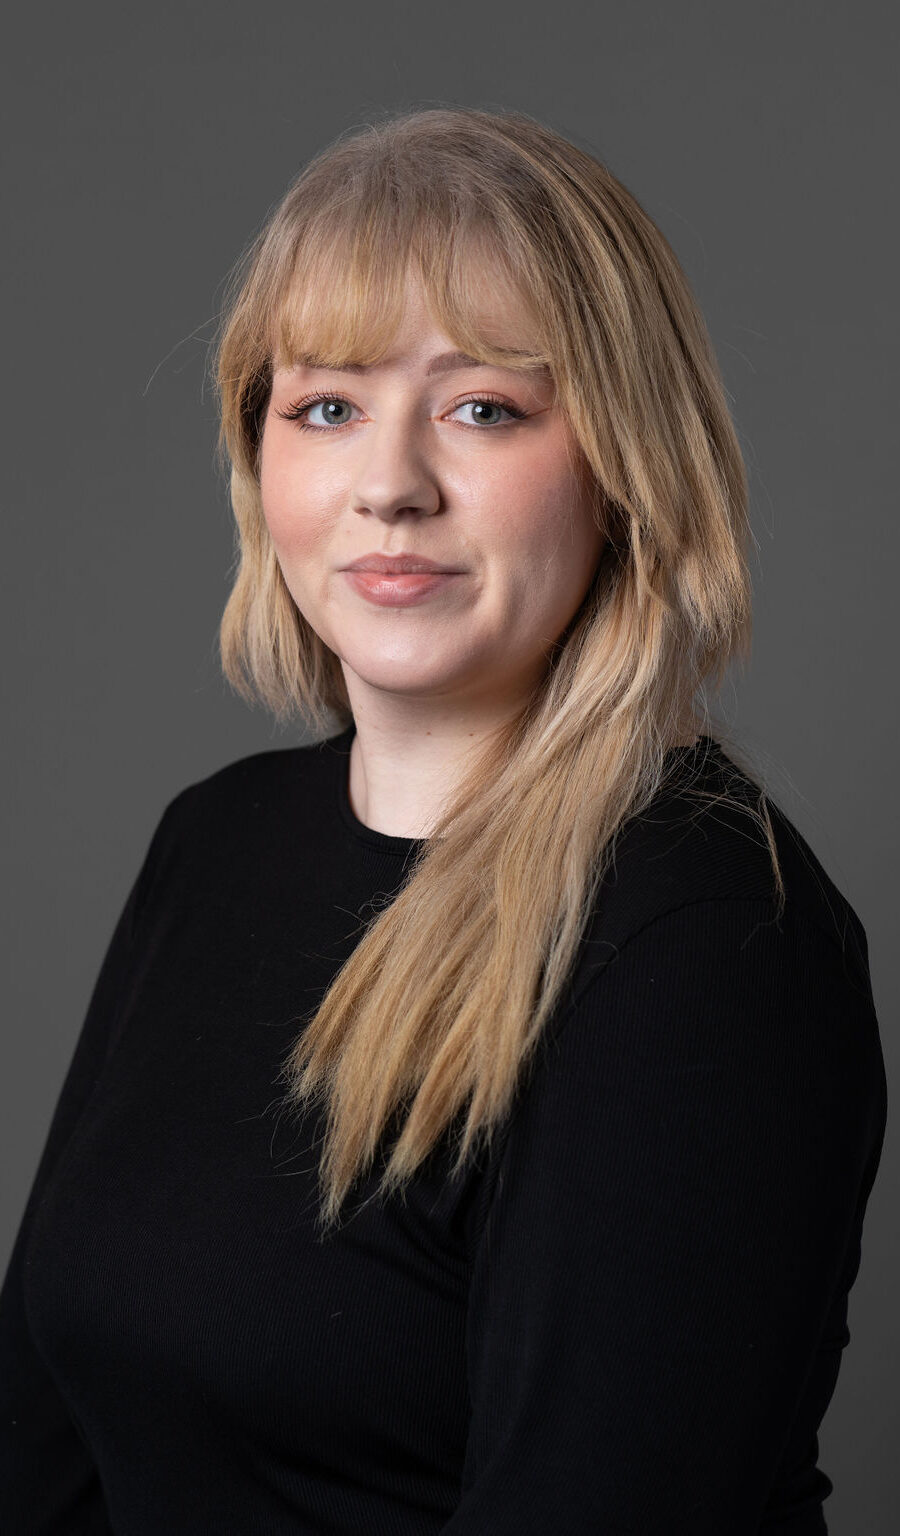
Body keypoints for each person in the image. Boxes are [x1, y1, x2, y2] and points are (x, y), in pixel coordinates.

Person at [0, 106, 887, 1534]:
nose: (391, 485)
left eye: (485, 407)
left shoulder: (708, 940)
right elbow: (41, 1450)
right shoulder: (214, 844)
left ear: (624, 462)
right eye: (327, 406)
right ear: (262, 461)